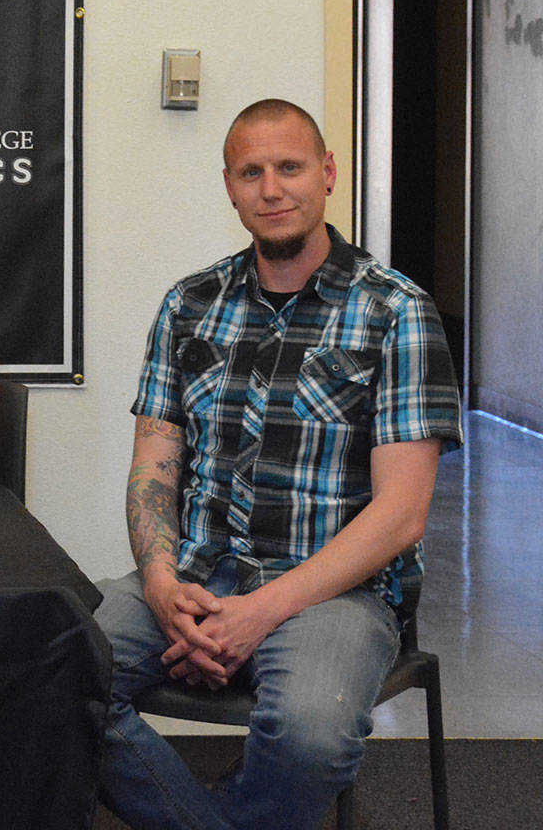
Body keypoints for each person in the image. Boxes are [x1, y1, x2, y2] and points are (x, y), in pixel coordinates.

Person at [96, 99, 462, 830]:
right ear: (228, 186)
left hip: (334, 595)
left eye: (290, 167)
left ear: (326, 174)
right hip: (193, 578)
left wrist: (259, 613)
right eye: (251, 172)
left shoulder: (395, 310)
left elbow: (402, 514)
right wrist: (165, 585)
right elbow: (152, 472)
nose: (272, 189)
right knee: (29, 668)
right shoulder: (188, 304)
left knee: (310, 737)